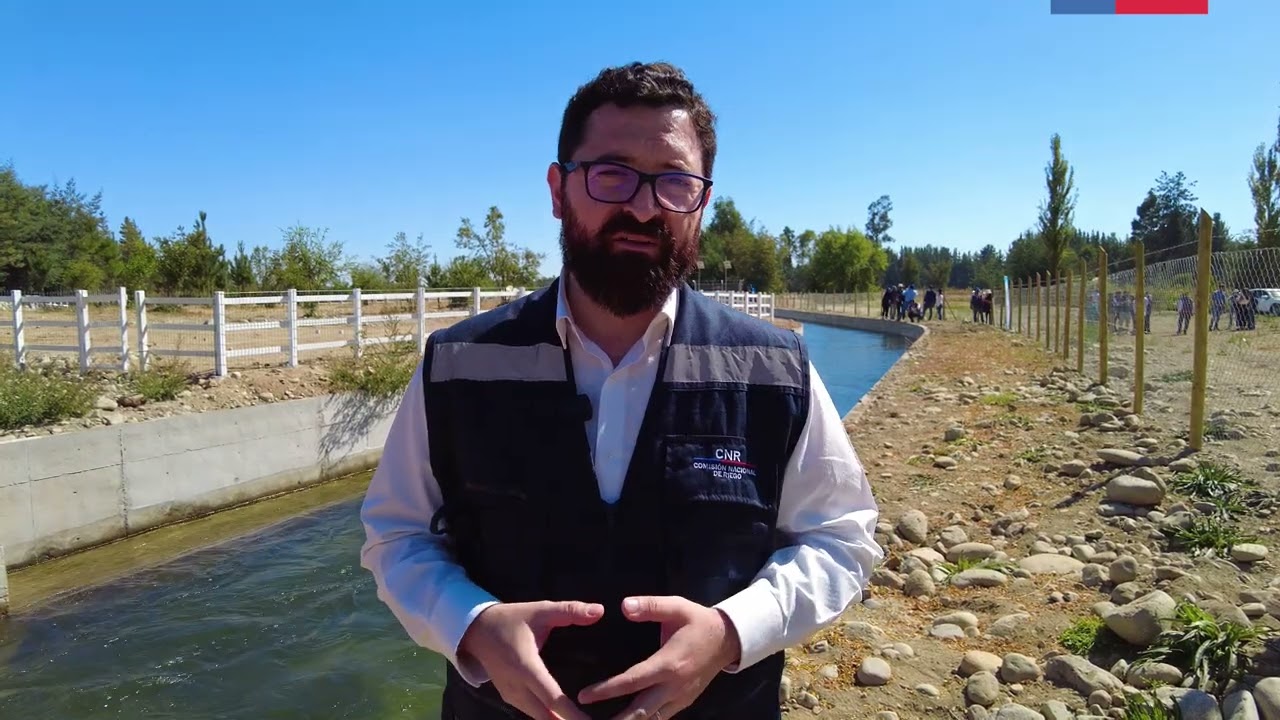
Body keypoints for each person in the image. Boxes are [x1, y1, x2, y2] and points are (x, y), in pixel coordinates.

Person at [359, 61, 882, 720]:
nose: (642, 206)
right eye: (612, 174)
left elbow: (842, 539)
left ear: (703, 202)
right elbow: (395, 537)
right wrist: (472, 624)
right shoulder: (456, 365)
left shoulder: (776, 369)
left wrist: (731, 633)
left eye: (674, 182)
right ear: (558, 189)